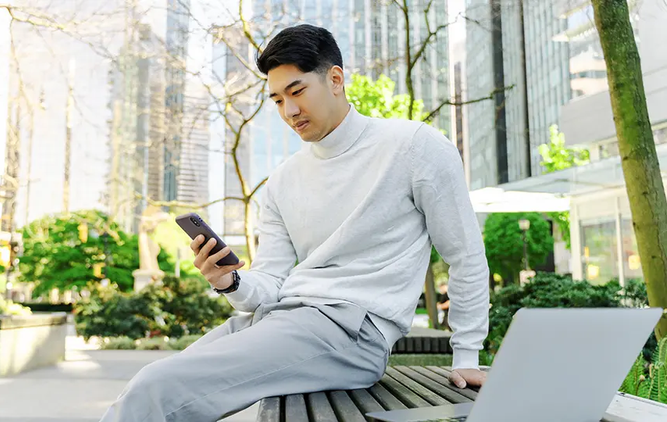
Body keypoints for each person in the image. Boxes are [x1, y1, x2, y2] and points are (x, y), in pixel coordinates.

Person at [100, 24, 489, 422]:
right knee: (146, 383)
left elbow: (466, 255)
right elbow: (270, 283)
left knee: (158, 389)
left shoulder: (414, 147)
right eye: (277, 99)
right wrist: (228, 281)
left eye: (297, 92)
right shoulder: (282, 180)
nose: (289, 111)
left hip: (352, 331)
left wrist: (467, 355)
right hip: (280, 319)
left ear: (335, 79)